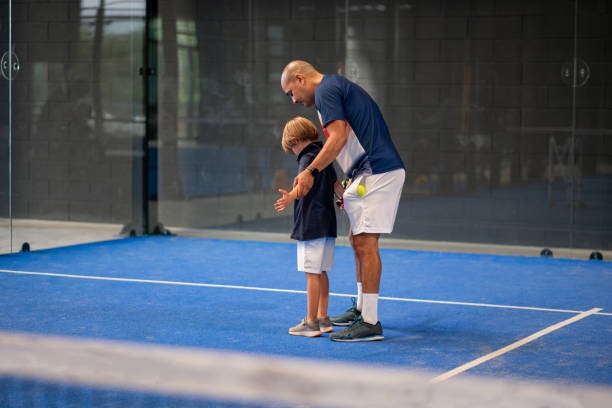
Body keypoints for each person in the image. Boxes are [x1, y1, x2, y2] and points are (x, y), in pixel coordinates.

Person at [280, 60, 405, 342]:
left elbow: (336, 139)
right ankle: (361, 309)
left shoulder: (326, 90)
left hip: (378, 170)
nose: (294, 100)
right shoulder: (332, 90)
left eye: (291, 92)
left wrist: (312, 171)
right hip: (366, 172)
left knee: (365, 241)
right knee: (356, 238)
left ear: (300, 79)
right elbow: (347, 139)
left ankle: (370, 322)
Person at [274, 116, 341, 337]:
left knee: (311, 273)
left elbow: (302, 186)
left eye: (291, 148)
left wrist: (289, 196)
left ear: (295, 141)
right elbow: (336, 185)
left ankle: (311, 323)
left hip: (311, 223)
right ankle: (323, 318)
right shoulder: (325, 157)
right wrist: (345, 199)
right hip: (328, 223)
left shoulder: (306, 160)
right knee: (320, 271)